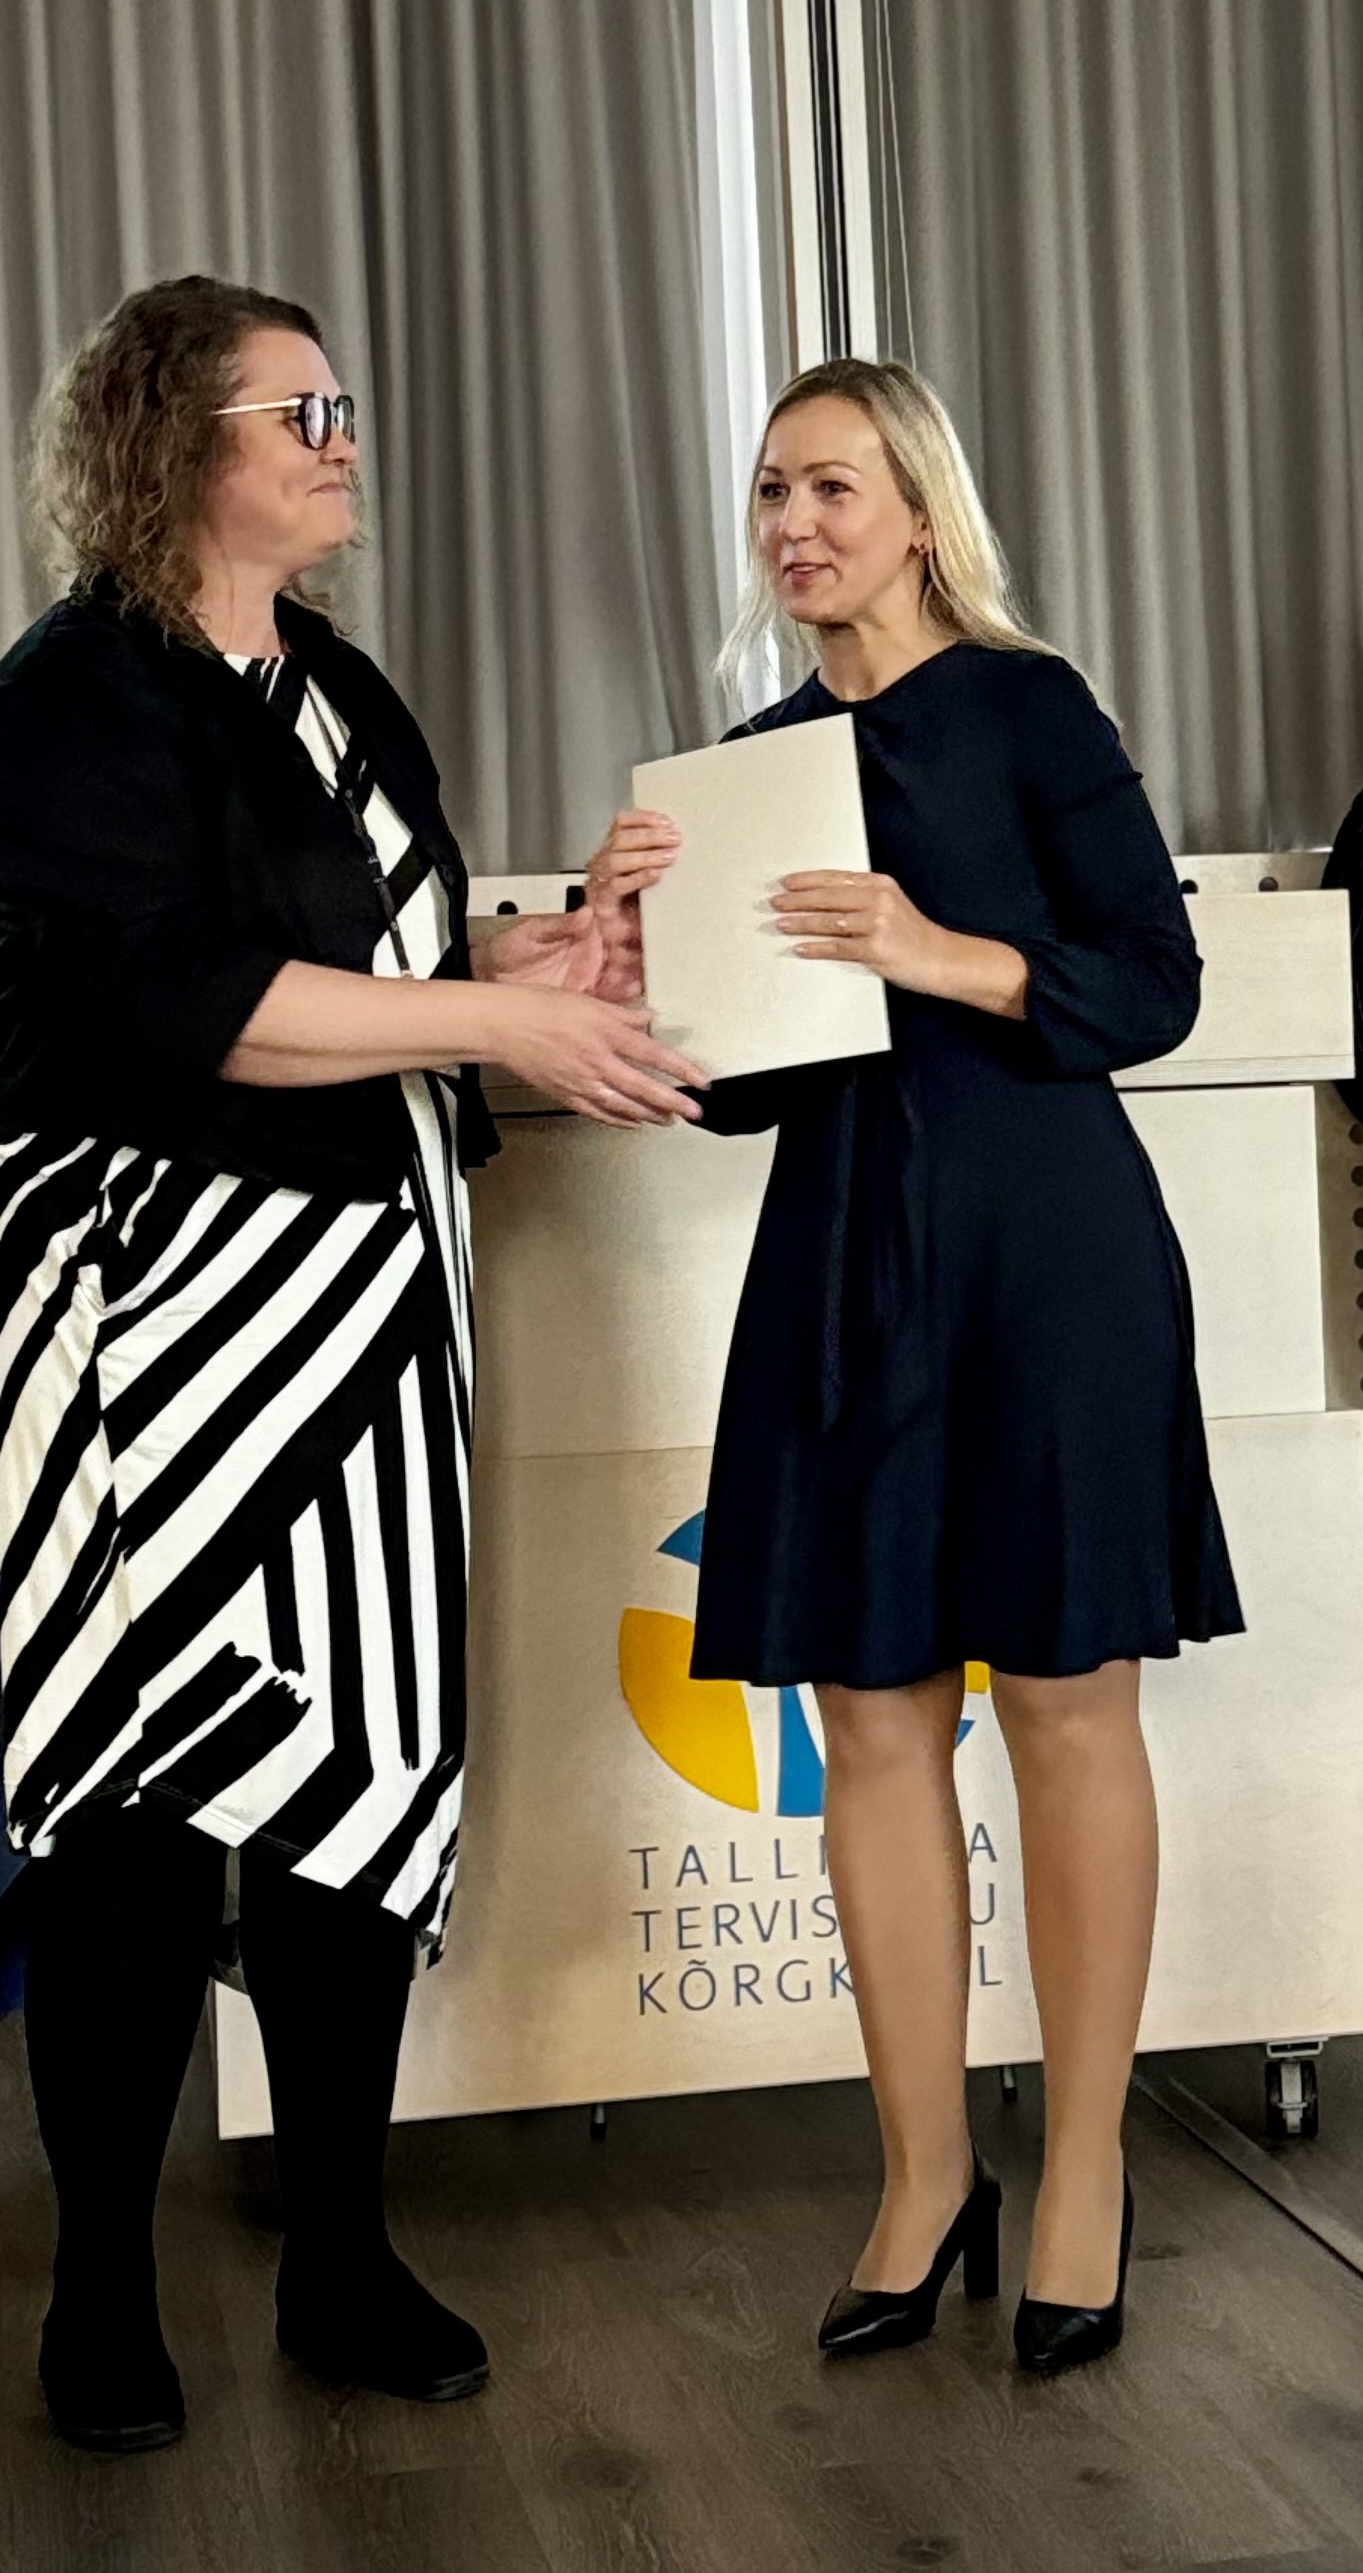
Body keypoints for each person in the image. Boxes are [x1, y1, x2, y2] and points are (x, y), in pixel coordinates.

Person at [0, 274, 706, 2454]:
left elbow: (373, 959)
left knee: (358, 1782)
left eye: (339, 404)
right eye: (303, 410)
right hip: (146, 1307)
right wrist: (493, 1019)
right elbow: (194, 1000)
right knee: (127, 1796)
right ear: (175, 443)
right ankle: (99, 2294)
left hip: (369, 1297)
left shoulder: (336, 685)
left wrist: (538, 951)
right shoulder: (67, 702)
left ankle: (342, 2251)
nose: (342, 437)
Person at [586, 358, 1242, 2378]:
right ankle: (922, 2175)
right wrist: (635, 965)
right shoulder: (740, 771)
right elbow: (736, 1091)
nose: (794, 525)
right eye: (771, 492)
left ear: (919, 510)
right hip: (845, 1262)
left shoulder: (1032, 708)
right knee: (867, 1720)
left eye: (833, 488)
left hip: (1050, 1254)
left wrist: (927, 945)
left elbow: (1154, 982)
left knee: (1064, 1703)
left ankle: (1084, 2175)